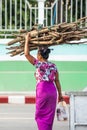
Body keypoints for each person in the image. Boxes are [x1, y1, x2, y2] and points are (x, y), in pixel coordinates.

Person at [24, 32, 63, 130]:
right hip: (52, 91)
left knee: (40, 115)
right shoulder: (53, 66)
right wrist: (61, 95)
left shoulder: (38, 64)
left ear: (40, 56)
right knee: (49, 117)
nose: (36, 55)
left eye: (37, 53)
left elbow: (26, 53)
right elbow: (57, 81)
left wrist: (27, 39)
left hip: (43, 90)